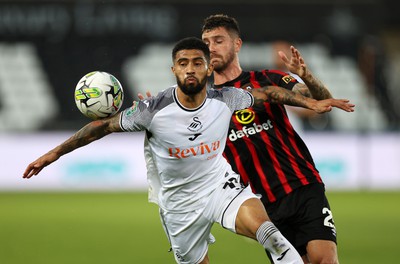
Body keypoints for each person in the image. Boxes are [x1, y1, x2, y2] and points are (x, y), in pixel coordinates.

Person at [23, 37, 353, 264]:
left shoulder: (225, 98)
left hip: (219, 186)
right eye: (183, 63)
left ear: (208, 69)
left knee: (272, 235)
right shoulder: (152, 109)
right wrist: (53, 154)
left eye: (198, 62)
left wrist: (311, 101)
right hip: (179, 204)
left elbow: (268, 93)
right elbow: (101, 127)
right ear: (174, 70)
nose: (191, 68)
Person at [201, 14, 350, 264]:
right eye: (206, 42)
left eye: (218, 41)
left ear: (237, 44)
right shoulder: (203, 104)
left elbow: (320, 99)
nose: (211, 48)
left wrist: (308, 77)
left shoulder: (267, 78)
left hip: (302, 186)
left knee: (325, 260)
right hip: (262, 206)